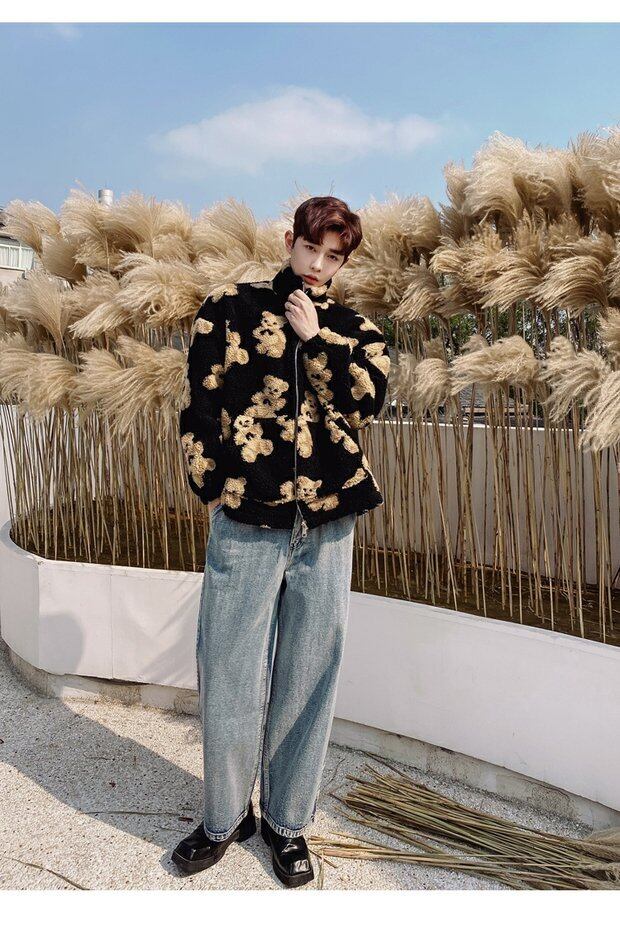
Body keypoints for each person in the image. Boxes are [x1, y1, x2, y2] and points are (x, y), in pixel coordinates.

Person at [173, 196, 390, 888]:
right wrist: (214, 487)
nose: (319, 265)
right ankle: (222, 818)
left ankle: (287, 822)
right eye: (311, 249)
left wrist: (315, 339)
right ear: (290, 240)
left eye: (334, 256)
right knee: (228, 667)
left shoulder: (357, 331)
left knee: (309, 671)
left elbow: (364, 404)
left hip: (327, 521)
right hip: (247, 518)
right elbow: (199, 406)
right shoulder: (227, 309)